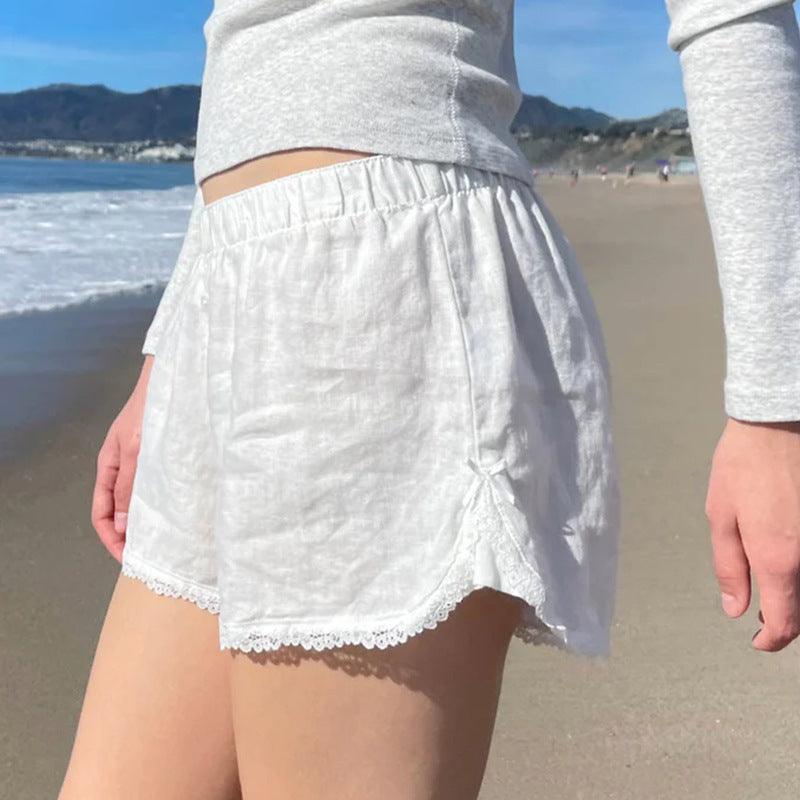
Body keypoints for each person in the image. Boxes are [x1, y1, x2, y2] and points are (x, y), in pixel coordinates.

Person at [59, 1, 800, 798]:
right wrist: (163, 360)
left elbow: (730, 11)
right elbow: (242, 71)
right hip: (225, 294)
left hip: (384, 278)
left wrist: (775, 405)